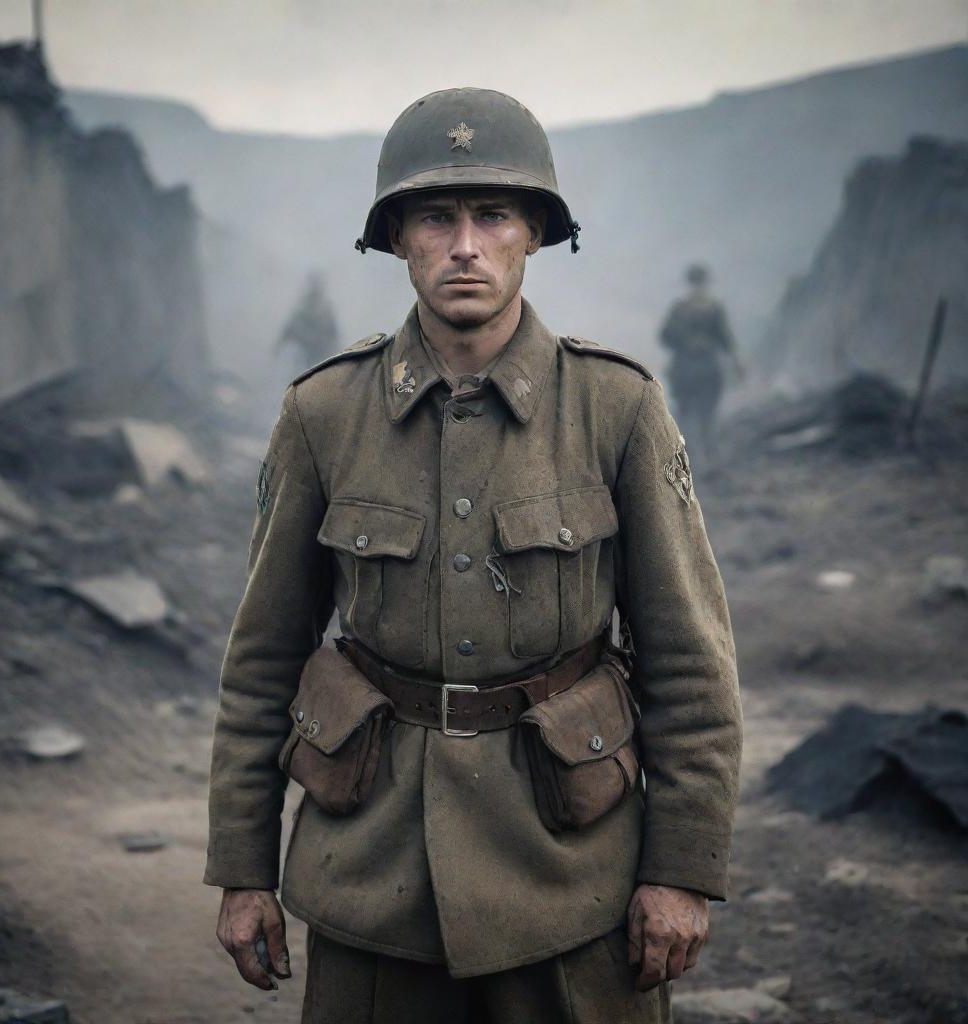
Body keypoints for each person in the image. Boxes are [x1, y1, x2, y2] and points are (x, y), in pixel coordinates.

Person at [204, 88, 743, 1024]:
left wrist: (682, 872)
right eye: (435, 217)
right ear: (397, 238)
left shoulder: (617, 409)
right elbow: (261, 660)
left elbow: (691, 662)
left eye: (492, 214)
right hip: (375, 877)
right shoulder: (323, 415)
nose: (464, 245)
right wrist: (243, 869)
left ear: (532, 231)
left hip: (572, 876)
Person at [658, 264, 744, 468]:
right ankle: (698, 459)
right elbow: (726, 340)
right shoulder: (705, 308)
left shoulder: (685, 308)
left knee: (700, 415)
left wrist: (736, 362)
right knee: (697, 415)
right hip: (695, 369)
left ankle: (699, 460)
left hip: (695, 369)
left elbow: (725, 340)